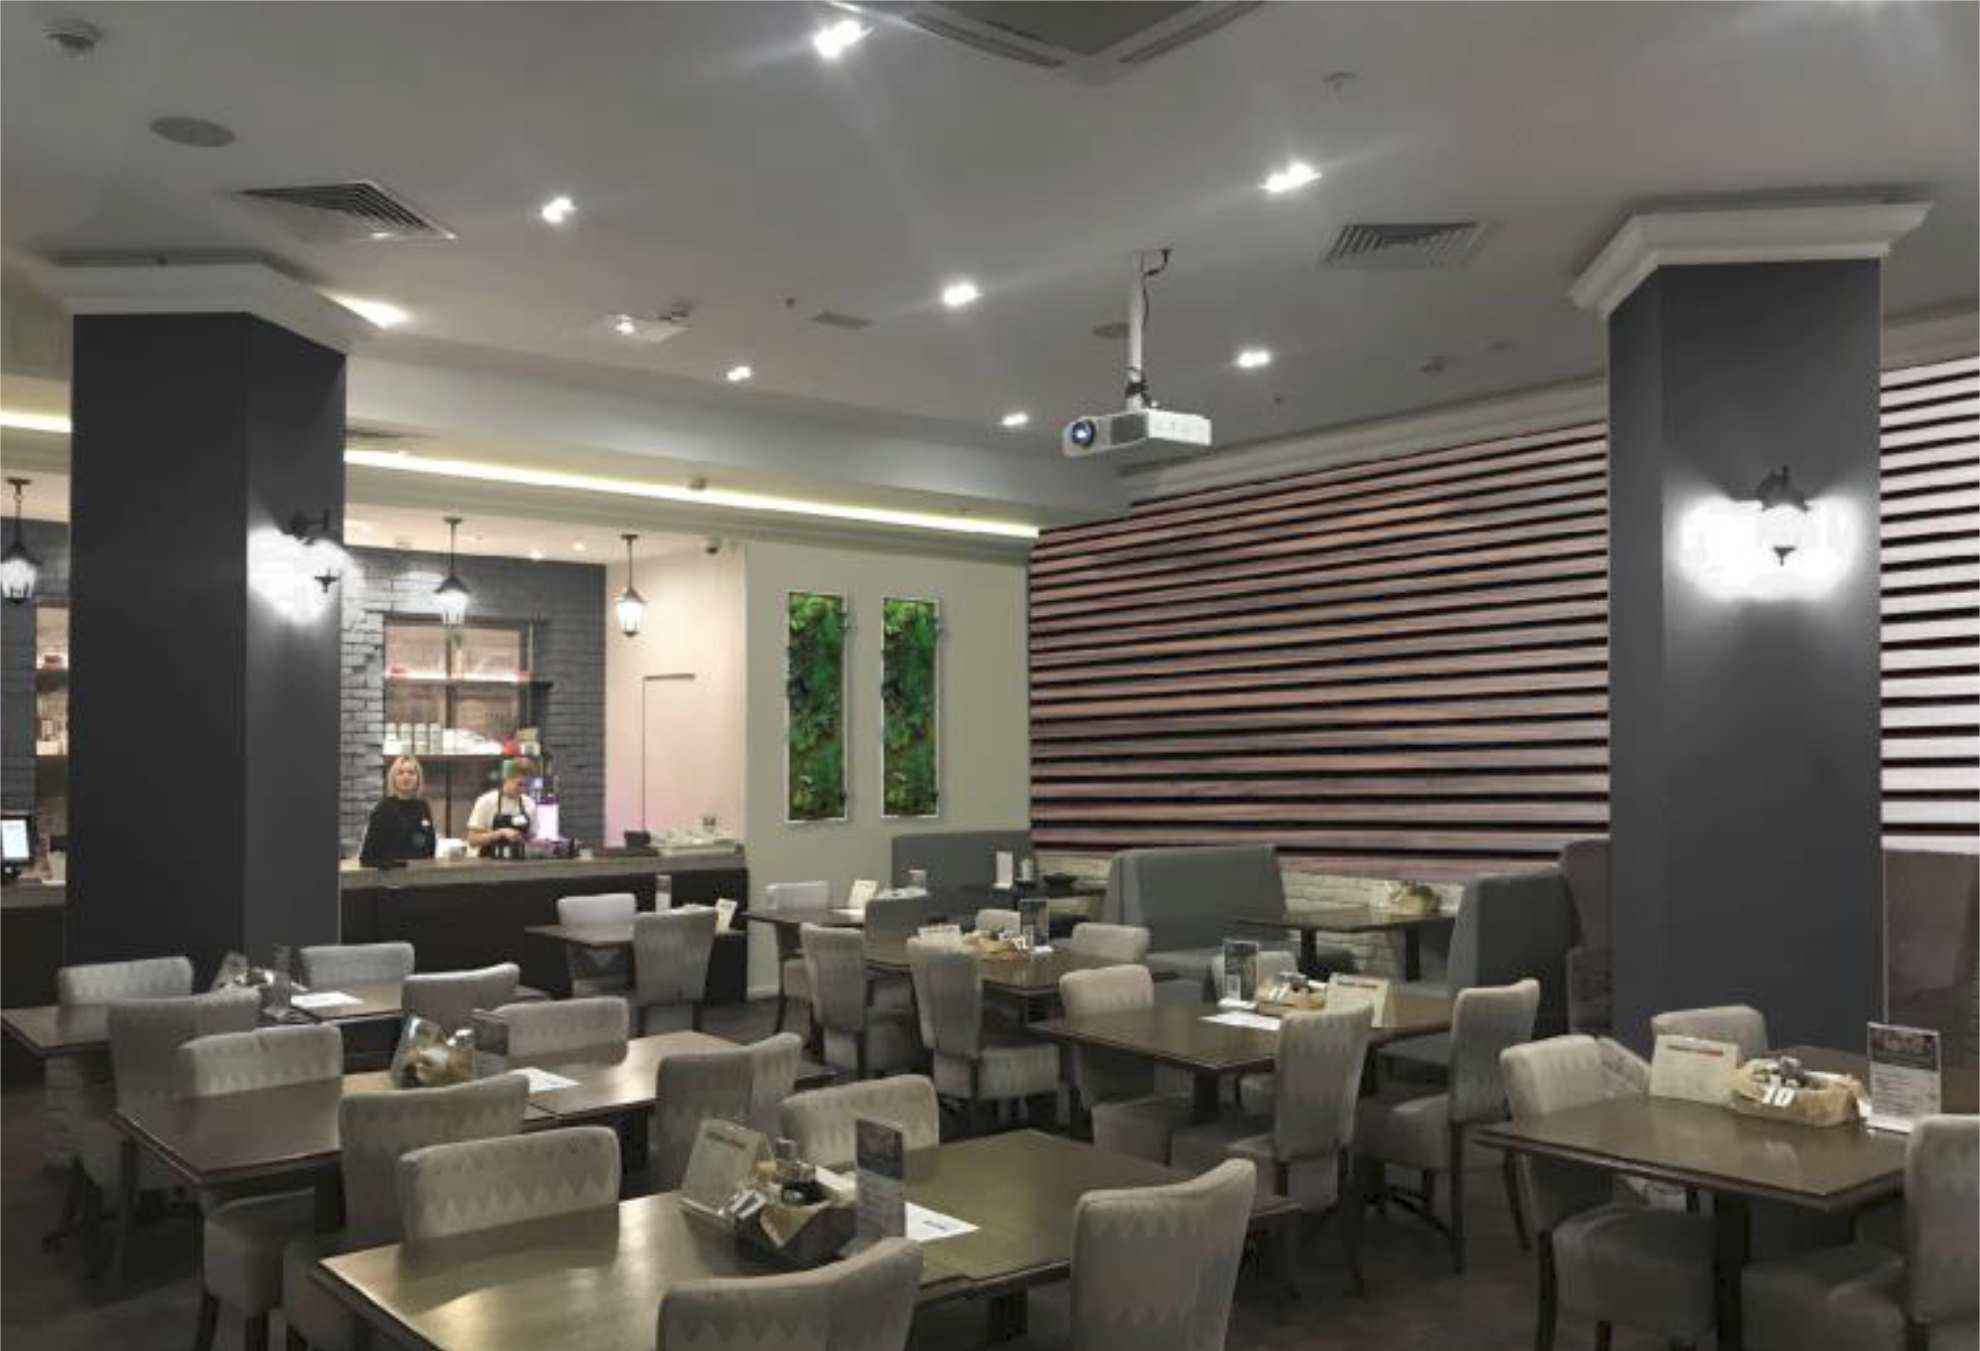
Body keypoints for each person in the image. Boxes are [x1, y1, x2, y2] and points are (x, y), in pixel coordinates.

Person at [360, 756, 438, 865]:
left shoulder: (423, 806)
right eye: (400, 773)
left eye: (411, 772)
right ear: (393, 778)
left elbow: (430, 846)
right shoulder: (383, 809)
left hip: (421, 871)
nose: (406, 776)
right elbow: (367, 857)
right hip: (394, 874)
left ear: (418, 778)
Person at [467, 757, 537, 857]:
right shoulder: (486, 802)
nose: (523, 790)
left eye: (528, 785)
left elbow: (531, 837)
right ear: (507, 778)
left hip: (519, 862)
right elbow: (472, 840)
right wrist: (500, 833)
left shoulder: (529, 804)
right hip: (487, 862)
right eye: (520, 784)